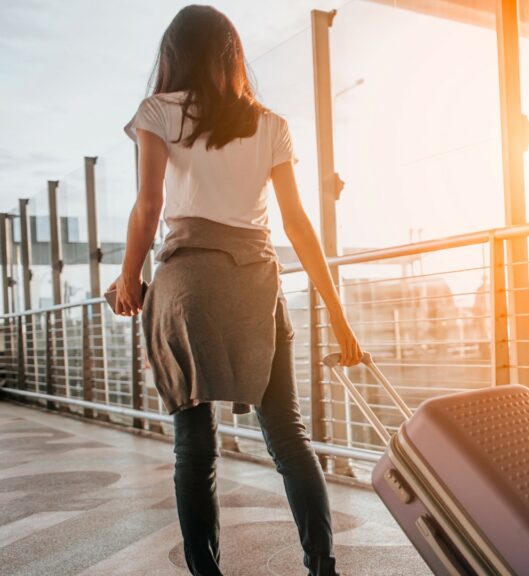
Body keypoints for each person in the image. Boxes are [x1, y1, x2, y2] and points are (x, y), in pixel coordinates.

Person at [110, 5, 362, 575]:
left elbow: (149, 206)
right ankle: (322, 565)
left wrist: (129, 276)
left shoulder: (157, 111)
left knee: (194, 449)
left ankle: (207, 572)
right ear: (233, 57)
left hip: (189, 289)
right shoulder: (270, 124)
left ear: (172, 55)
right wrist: (340, 321)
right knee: (289, 438)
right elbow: (297, 225)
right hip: (255, 286)